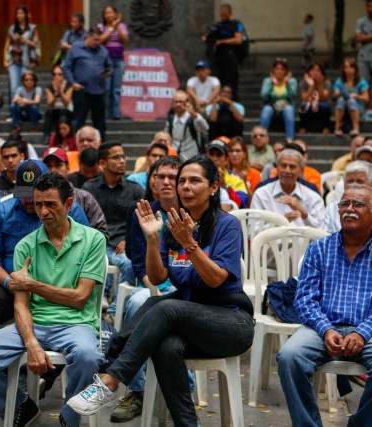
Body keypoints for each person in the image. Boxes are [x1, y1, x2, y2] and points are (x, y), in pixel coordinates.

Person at [67, 156, 254, 426]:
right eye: (182, 182)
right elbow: (157, 276)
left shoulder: (227, 225)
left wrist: (189, 244)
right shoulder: (175, 224)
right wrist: (153, 238)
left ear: (214, 187)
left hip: (231, 321)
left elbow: (215, 280)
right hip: (190, 320)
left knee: (165, 305)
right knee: (166, 345)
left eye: (194, 181)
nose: (185, 187)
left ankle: (110, 379)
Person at [0, 172, 106, 427]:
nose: (43, 211)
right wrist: (31, 344)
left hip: (76, 323)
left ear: (69, 204)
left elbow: (80, 298)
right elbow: (20, 305)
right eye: (38, 204)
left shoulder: (92, 240)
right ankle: (21, 406)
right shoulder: (25, 246)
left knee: (88, 357)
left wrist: (32, 284)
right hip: (34, 323)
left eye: (51, 204)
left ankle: (70, 418)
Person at [277, 184, 372, 427]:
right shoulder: (319, 248)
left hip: (367, 331)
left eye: (358, 204)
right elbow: (305, 298)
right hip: (321, 329)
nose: (349, 209)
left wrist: (362, 332)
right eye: (344, 204)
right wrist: (326, 329)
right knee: (289, 356)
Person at [0, 160, 89, 345]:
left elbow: (84, 248)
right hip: (13, 285)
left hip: (58, 286)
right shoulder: (2, 212)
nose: (29, 201)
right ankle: (16, 364)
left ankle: (45, 367)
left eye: (34, 194)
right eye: (24, 194)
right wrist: (9, 283)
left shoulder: (69, 211)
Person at [112, 156, 181, 423]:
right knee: (138, 302)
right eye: (160, 176)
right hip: (153, 285)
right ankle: (139, 390)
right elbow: (139, 264)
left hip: (186, 287)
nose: (165, 182)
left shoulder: (193, 213)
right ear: (151, 180)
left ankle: (179, 382)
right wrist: (156, 292)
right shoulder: (142, 211)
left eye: (172, 177)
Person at [83, 142, 144, 302]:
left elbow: (142, 222)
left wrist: (128, 241)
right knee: (93, 260)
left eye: (123, 156)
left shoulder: (135, 190)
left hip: (121, 245)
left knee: (131, 265)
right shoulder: (89, 189)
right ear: (102, 163)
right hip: (96, 244)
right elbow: (83, 222)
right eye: (116, 157)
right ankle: (100, 300)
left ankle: (114, 310)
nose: (122, 160)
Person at [42, 147, 108, 237]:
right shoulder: (37, 201)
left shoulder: (85, 198)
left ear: (68, 167)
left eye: (58, 165)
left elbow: (102, 231)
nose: (53, 170)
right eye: (48, 166)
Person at [251, 149, 325, 229]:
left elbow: (322, 231)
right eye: (283, 166)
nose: (287, 170)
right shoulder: (262, 194)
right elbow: (252, 230)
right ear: (277, 168)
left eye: (292, 167)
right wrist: (281, 222)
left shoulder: (312, 197)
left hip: (305, 241)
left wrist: (303, 213)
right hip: (271, 241)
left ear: (301, 171)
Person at [63, 27, 112, 140]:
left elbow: (109, 66)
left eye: (99, 40)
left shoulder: (103, 50)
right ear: (88, 37)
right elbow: (66, 67)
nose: (97, 42)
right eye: (95, 39)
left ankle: (101, 145)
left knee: (100, 121)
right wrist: (72, 83)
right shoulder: (75, 48)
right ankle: (75, 144)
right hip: (81, 89)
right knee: (78, 120)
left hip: (99, 90)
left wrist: (108, 72)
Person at [204, 3, 244, 98]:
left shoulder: (237, 24)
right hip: (218, 59)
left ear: (230, 13)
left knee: (231, 84)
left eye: (225, 14)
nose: (223, 17)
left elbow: (238, 40)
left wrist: (222, 41)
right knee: (219, 82)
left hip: (231, 59)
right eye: (222, 14)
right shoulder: (218, 25)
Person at [97, 5, 129, 120]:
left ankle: (115, 112)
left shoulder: (122, 26)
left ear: (116, 14)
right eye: (106, 13)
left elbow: (125, 40)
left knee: (116, 89)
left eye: (111, 12)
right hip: (105, 61)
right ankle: (104, 112)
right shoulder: (100, 26)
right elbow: (101, 40)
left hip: (118, 60)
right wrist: (111, 28)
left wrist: (117, 26)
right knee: (106, 88)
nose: (108, 15)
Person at [325, 161, 372, 232]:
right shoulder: (332, 208)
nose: (354, 185)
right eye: (350, 181)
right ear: (344, 184)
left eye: (360, 181)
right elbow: (324, 235)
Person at [5, 4, 40, 98]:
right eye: (17, 14)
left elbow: (36, 44)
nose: (19, 15)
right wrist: (14, 39)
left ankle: (25, 109)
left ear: (26, 15)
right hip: (14, 61)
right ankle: (15, 111)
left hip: (27, 61)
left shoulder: (32, 28)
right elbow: (9, 46)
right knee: (14, 88)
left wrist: (25, 41)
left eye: (21, 13)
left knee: (26, 87)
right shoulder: (12, 29)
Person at [259, 58, 298, 142]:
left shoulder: (292, 81)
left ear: (286, 71)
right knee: (266, 109)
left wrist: (287, 84)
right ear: (273, 70)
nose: (279, 71)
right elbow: (264, 96)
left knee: (289, 109)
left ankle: (289, 139)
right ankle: (261, 138)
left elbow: (293, 96)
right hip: (272, 107)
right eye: (277, 69)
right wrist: (272, 85)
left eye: (282, 69)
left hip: (286, 107)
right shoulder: (267, 81)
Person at [165, 90, 208, 161]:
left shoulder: (193, 118)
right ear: (172, 103)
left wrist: (194, 114)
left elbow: (205, 128)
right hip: (174, 158)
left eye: (181, 102)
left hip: (191, 157)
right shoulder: (170, 119)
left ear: (187, 103)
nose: (178, 104)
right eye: (176, 102)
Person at [206, 138, 249, 208]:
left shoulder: (236, 179)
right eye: (211, 154)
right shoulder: (198, 175)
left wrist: (224, 186)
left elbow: (241, 204)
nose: (214, 158)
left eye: (218, 155)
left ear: (226, 160)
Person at [333, 57, 369, 136]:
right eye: (346, 67)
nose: (348, 70)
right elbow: (334, 96)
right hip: (343, 108)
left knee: (351, 100)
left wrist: (356, 96)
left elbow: (366, 98)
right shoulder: (340, 81)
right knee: (341, 100)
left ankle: (356, 128)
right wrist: (336, 94)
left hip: (358, 108)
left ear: (355, 69)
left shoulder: (361, 81)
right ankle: (337, 128)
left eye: (351, 67)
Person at [298, 62, 331, 134]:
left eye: (318, 70)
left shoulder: (326, 82)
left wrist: (320, 84)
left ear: (322, 73)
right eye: (312, 70)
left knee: (325, 106)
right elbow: (305, 99)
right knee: (303, 106)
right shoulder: (303, 82)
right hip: (309, 105)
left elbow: (323, 98)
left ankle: (326, 127)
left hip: (321, 105)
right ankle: (303, 127)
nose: (315, 72)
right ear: (308, 72)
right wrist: (311, 85)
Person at [43, 64, 73, 137]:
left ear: (63, 75)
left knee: (62, 111)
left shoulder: (69, 86)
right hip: (54, 110)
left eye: (60, 74)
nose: (57, 76)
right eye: (54, 74)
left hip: (66, 110)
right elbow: (50, 104)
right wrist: (56, 94)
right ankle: (46, 135)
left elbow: (66, 103)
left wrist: (61, 92)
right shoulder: (49, 86)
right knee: (49, 112)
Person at [356, 0, 372, 118]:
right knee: (364, 84)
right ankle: (366, 109)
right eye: (368, 5)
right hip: (363, 57)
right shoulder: (360, 22)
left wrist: (366, 37)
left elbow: (363, 37)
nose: (370, 7)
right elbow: (359, 38)